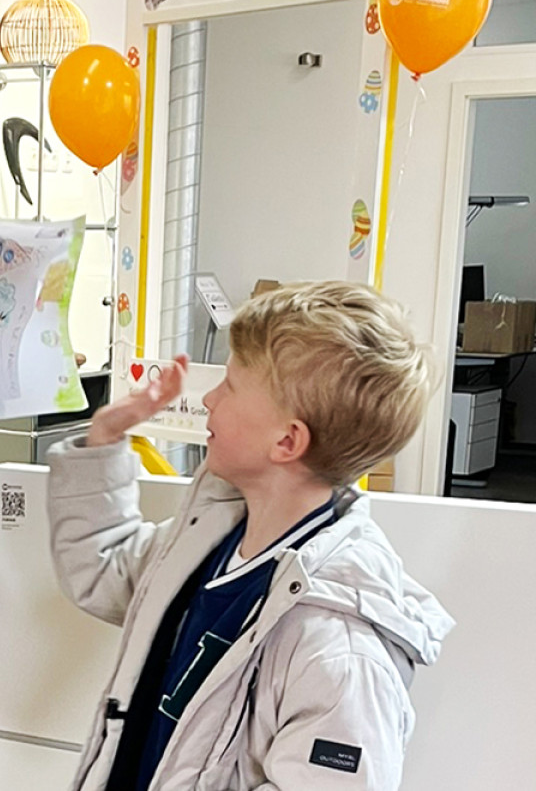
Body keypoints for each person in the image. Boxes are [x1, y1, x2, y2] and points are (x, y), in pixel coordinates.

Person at [47, 280, 454, 790]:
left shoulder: (340, 653)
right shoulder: (210, 540)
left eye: (232, 385)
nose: (211, 398)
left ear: (286, 440)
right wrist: (103, 441)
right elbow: (103, 572)